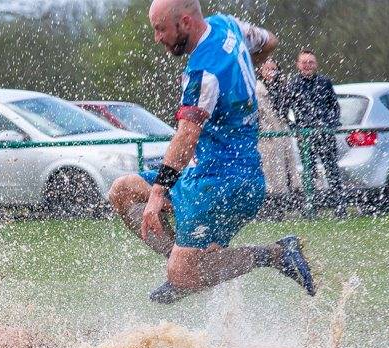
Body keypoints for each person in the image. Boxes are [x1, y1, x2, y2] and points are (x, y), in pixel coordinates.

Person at [109, 0, 316, 303]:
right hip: (202, 174)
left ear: (185, 22)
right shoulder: (227, 25)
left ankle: (274, 254)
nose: (157, 38)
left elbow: (186, 135)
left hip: (227, 183)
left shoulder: (203, 71)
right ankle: (187, 263)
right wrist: (242, 72)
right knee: (122, 191)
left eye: (161, 29)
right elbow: (269, 41)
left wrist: (157, 194)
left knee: (182, 275)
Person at [281, 50, 346, 216]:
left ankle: (339, 206)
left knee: (332, 169)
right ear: (298, 65)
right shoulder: (292, 84)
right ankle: (311, 206)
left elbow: (334, 107)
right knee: (308, 171)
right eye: (304, 62)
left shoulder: (324, 82)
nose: (307, 66)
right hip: (305, 136)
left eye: (310, 62)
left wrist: (330, 124)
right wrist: (295, 129)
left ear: (316, 65)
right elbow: (284, 111)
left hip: (325, 134)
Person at [256, 58, 302, 217]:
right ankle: (270, 206)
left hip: (282, 133)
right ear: (261, 71)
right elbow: (257, 114)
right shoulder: (257, 89)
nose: (271, 72)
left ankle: (283, 204)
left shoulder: (282, 88)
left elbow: (285, 111)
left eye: (273, 69)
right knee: (270, 171)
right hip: (267, 135)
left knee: (287, 170)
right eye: (267, 69)